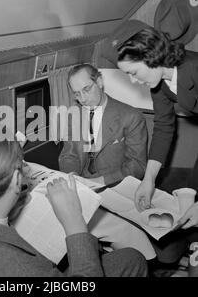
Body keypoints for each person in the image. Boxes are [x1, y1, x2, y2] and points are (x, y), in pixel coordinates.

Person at [0, 123, 147, 277]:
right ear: (17, 179)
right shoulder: (19, 268)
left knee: (130, 259)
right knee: (134, 260)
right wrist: (75, 224)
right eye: (22, 166)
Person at [58, 63, 157, 262]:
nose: (83, 99)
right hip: (84, 188)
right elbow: (68, 155)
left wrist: (100, 182)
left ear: (100, 82)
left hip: (115, 188)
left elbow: (137, 166)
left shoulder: (130, 116)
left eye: (86, 89)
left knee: (130, 242)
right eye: (77, 94)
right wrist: (73, 177)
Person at [113, 21, 198, 227]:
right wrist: (148, 179)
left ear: (150, 55)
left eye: (133, 73)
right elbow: (163, 128)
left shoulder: (194, 68)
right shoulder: (159, 83)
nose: (134, 81)